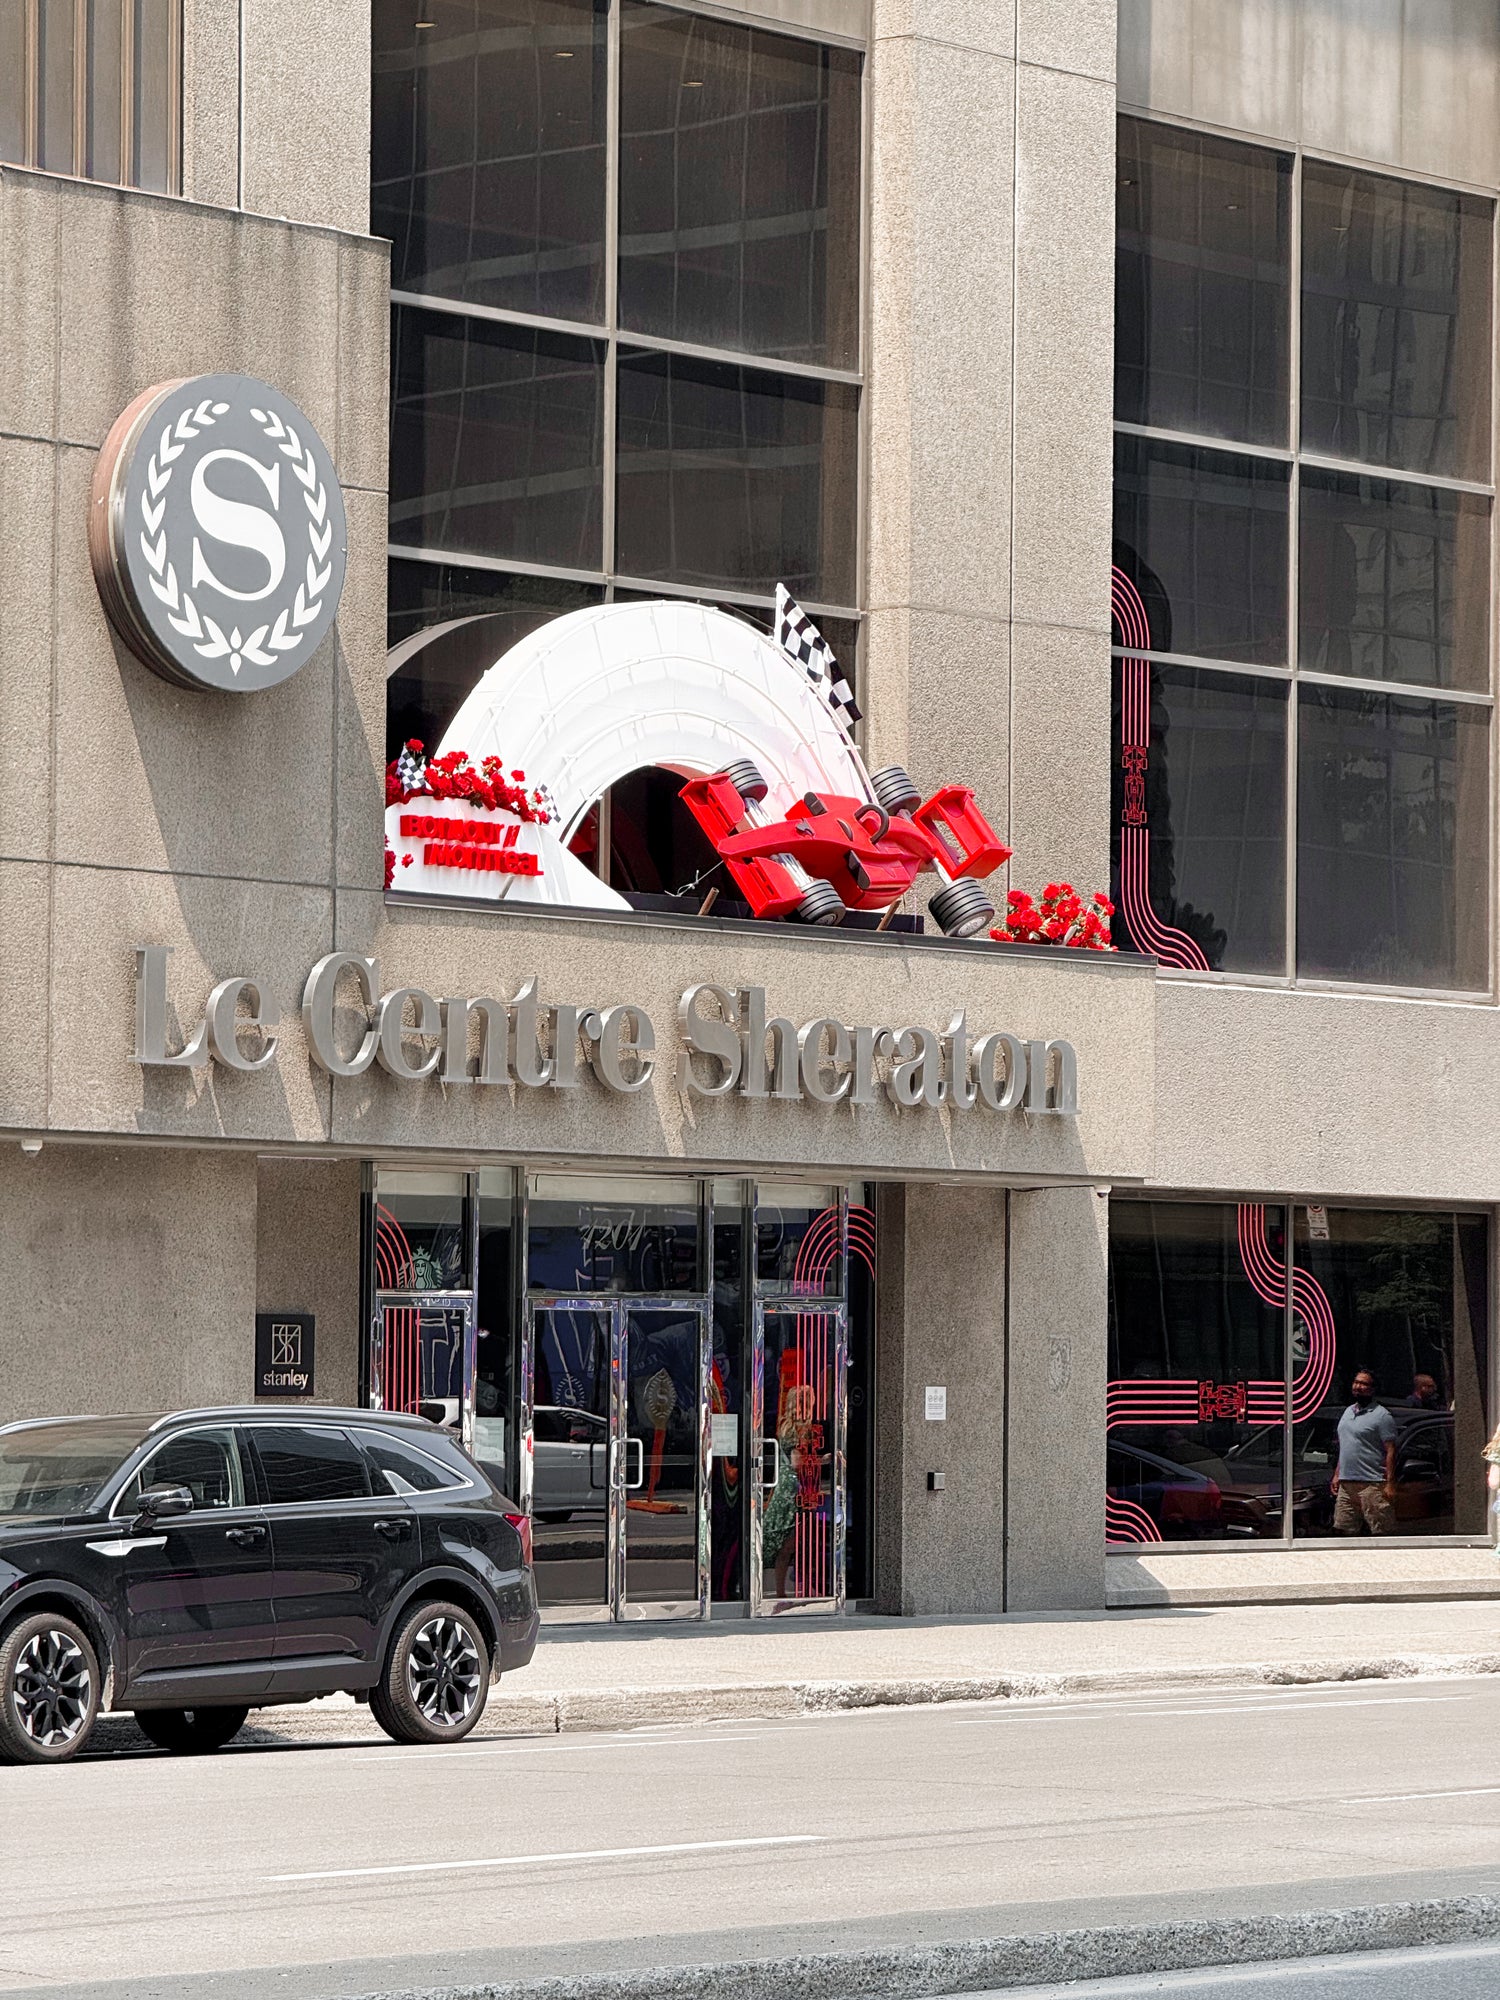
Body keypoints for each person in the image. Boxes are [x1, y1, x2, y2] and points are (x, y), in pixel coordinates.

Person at [1332, 1370, 1398, 1535]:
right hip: (1346, 1485)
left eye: (1363, 1384)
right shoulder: (1347, 1412)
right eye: (1356, 1382)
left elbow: (1390, 1450)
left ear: (1372, 1389)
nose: (1358, 1387)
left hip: (1372, 1485)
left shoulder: (1382, 1416)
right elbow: (1345, 1447)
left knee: (1381, 1532)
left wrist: (1390, 1483)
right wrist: (1337, 1474)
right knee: (1343, 1531)